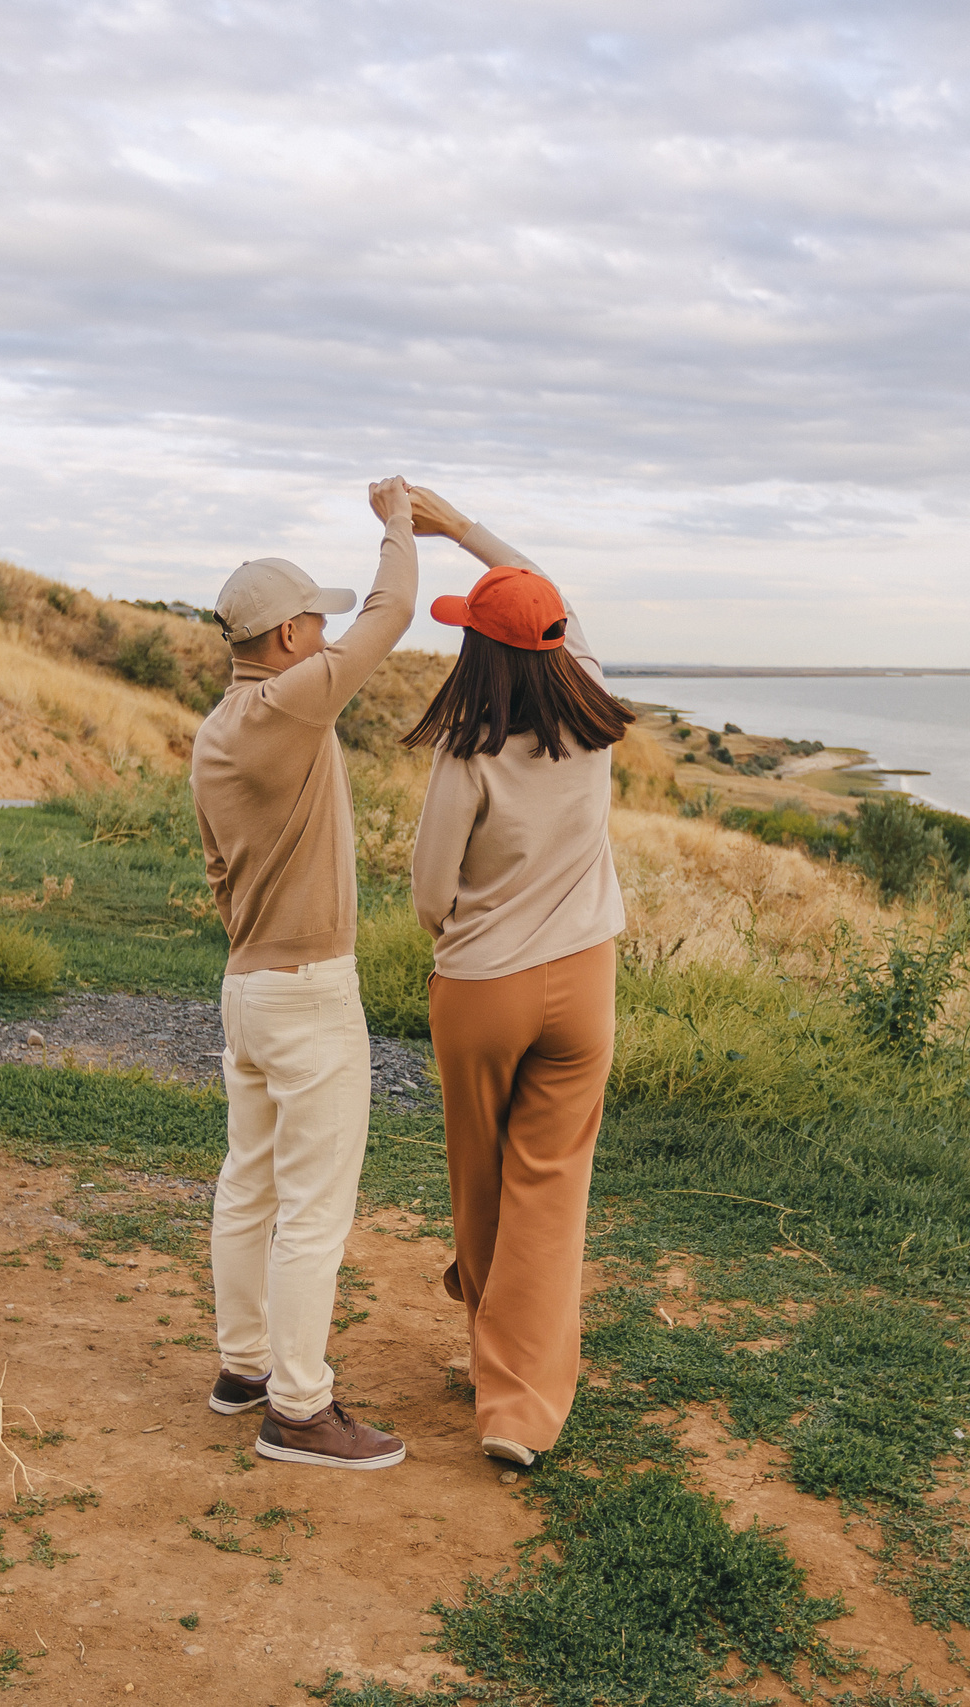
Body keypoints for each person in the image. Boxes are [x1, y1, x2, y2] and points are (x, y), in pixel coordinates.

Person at [190, 475, 418, 1471]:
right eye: (316, 621)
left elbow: (217, 872)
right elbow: (393, 610)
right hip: (308, 992)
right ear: (285, 636)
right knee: (314, 1210)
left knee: (249, 1183)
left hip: (246, 987)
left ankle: (244, 1367)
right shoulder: (293, 703)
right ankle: (298, 1407)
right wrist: (400, 522)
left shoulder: (216, 730)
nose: (328, 633)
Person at [402, 486, 633, 1468]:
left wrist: (465, 931)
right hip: (584, 982)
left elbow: (429, 894)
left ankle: (495, 1361)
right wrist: (458, 525)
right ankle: (517, 1407)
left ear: (480, 655)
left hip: (482, 987)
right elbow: (551, 598)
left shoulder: (469, 754)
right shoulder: (592, 705)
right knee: (550, 1186)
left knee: (482, 1177)